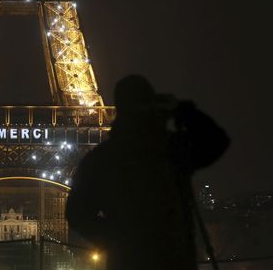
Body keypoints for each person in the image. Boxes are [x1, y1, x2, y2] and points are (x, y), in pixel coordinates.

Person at [66, 75, 230, 270]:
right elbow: (217, 141)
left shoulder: (102, 158)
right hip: (174, 260)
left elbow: (77, 213)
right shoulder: (171, 150)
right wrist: (183, 111)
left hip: (128, 261)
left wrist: (118, 241)